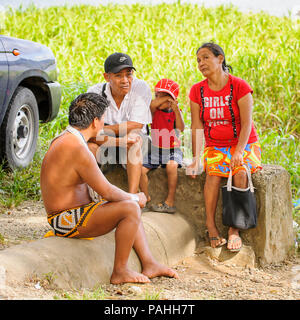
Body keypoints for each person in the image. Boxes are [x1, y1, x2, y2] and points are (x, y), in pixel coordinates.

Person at [40, 92, 178, 284]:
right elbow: (107, 191)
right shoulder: (77, 148)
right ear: (96, 122)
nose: (104, 125)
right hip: (65, 220)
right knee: (129, 207)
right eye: (103, 120)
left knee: (126, 203)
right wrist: (135, 198)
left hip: (71, 215)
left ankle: (149, 263)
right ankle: (120, 271)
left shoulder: (68, 139)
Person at [187, 42, 262, 252]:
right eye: (198, 60)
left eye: (206, 57)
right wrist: (196, 157)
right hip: (216, 146)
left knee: (239, 172)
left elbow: (247, 123)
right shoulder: (197, 91)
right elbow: (196, 126)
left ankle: (233, 229)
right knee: (213, 174)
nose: (201, 63)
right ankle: (211, 227)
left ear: (220, 59)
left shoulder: (240, 86)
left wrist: (239, 151)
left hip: (244, 144)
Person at [87, 52, 152, 194]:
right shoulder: (94, 93)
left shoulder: (141, 88)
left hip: (136, 142)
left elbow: (136, 125)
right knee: (90, 146)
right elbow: (89, 133)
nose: (125, 80)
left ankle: (133, 197)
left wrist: (103, 129)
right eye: (118, 75)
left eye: (128, 74)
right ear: (106, 77)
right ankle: (92, 195)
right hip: (106, 143)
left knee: (134, 137)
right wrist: (118, 139)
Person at [139, 79, 185, 213]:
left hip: (172, 150)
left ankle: (169, 201)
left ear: (172, 100)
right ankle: (146, 198)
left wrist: (175, 109)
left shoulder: (176, 112)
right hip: (156, 150)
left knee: (172, 165)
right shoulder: (154, 112)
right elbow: (152, 104)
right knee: (141, 171)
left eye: (164, 97)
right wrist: (164, 98)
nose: (159, 100)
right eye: (157, 96)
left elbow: (181, 128)